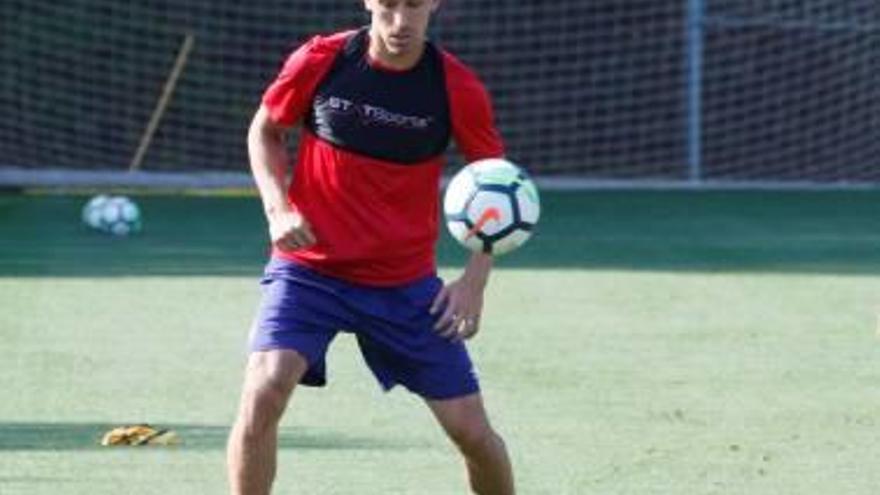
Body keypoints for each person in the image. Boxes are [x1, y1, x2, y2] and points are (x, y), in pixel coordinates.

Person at [226, 0, 515, 493]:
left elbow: (497, 184)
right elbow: (266, 129)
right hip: (309, 270)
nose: (401, 22)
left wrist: (474, 281)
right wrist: (278, 210)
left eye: (415, 6)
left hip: (402, 285)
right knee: (264, 389)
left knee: (470, 431)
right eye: (389, 5)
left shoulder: (457, 88)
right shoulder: (322, 59)